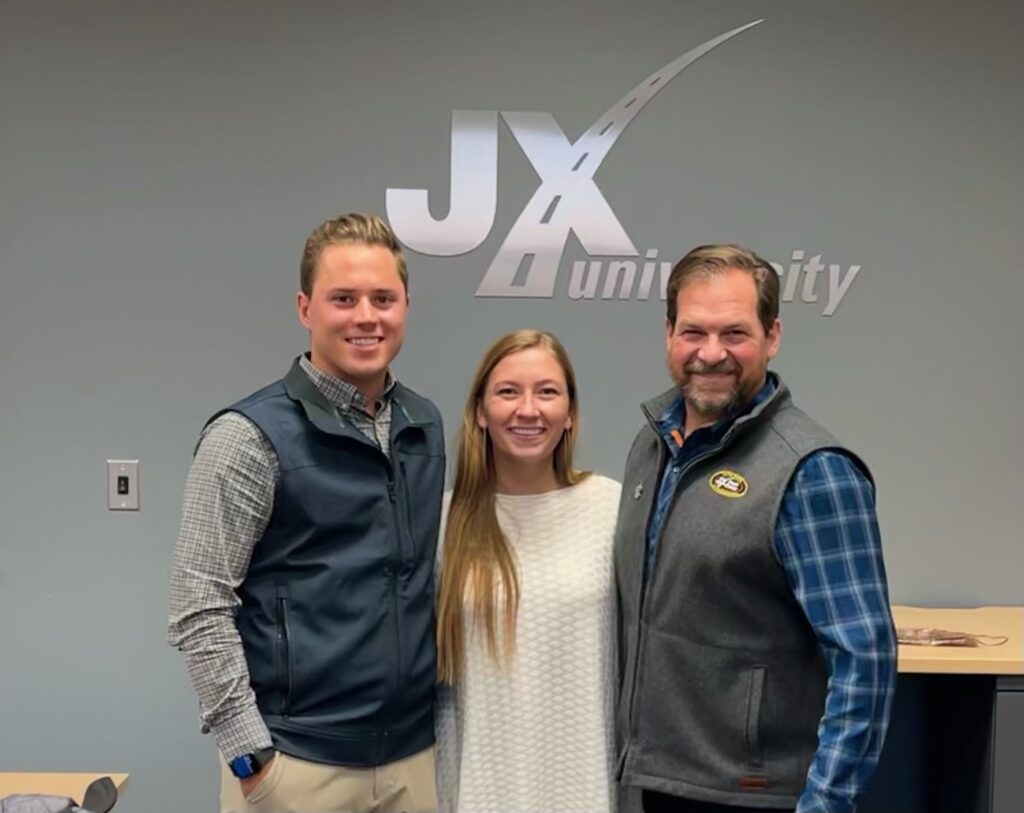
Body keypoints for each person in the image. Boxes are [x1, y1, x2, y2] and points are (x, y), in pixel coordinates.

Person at [167, 213, 445, 813]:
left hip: (412, 761)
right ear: (305, 308)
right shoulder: (248, 436)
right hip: (296, 765)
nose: (366, 316)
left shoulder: (425, 426)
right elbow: (199, 604)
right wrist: (250, 760)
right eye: (342, 298)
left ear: (405, 306)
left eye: (383, 298)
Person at [614, 245, 897, 813]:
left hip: (753, 798)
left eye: (735, 333)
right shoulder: (652, 446)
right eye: (694, 331)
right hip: (656, 783)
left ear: (772, 336)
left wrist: (826, 804)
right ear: (669, 333)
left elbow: (866, 660)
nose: (711, 353)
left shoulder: (812, 470)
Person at [435, 329, 621, 813]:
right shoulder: (442, 522)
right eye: (508, 391)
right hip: (477, 791)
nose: (528, 409)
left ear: (571, 412)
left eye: (547, 391)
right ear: (480, 411)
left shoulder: (613, 509)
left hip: (587, 789)